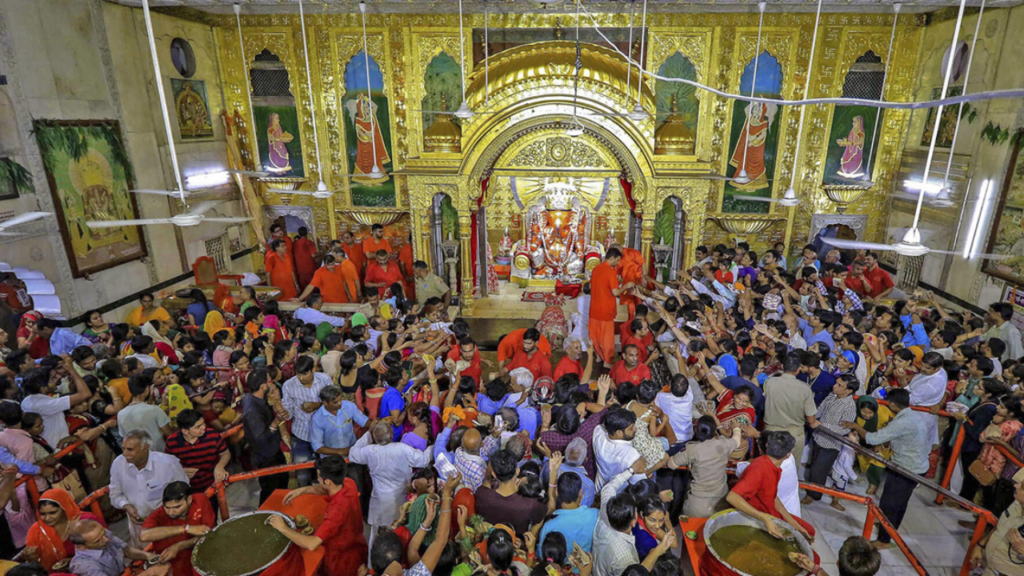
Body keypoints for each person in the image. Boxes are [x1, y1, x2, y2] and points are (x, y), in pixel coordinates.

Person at [843, 388, 931, 550]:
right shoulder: (914, 416)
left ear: (893, 405)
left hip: (907, 468)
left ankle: (884, 539)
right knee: (900, 502)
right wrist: (884, 444)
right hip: (916, 465)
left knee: (890, 502)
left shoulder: (901, 422)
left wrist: (855, 425)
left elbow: (871, 438)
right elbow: (905, 437)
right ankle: (889, 527)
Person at [268, 456, 368, 576]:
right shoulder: (348, 483)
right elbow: (324, 490)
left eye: (319, 478)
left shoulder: (337, 510)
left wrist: (283, 528)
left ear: (327, 481)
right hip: (357, 545)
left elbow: (312, 544)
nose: (318, 480)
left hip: (341, 559)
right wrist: (301, 490)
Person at [349, 421, 432, 547]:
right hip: (400, 499)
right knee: (398, 535)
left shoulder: (370, 451)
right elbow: (423, 460)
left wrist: (367, 434)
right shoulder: (402, 448)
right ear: (392, 435)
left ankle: (372, 564)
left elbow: (352, 454)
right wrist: (433, 447)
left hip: (380, 501)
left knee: (376, 538)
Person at [726, 431, 815, 541]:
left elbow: (773, 497)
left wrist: (794, 524)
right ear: (788, 455)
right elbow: (732, 497)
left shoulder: (774, 466)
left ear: (767, 446)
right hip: (757, 512)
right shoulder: (760, 469)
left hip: (769, 509)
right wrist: (764, 518)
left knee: (809, 531)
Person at [109, 430, 190, 548]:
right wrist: (127, 506)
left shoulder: (168, 463)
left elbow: (184, 491)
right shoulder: (118, 464)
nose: (125, 454)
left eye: (130, 449)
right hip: (139, 526)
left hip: (170, 523)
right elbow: (115, 495)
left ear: (145, 447)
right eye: (124, 448)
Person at [591, 468, 676, 576]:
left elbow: (609, 487)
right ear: (634, 521)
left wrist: (631, 470)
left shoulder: (606, 511)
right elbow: (637, 573)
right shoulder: (624, 557)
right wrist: (659, 550)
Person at [670, 415, 742, 518]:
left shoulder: (693, 449)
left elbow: (671, 464)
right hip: (720, 503)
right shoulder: (723, 444)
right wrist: (736, 428)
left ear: (697, 429)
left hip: (697, 505)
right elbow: (737, 441)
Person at [804, 376, 858, 511]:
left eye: (840, 385)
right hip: (819, 437)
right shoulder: (832, 395)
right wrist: (813, 418)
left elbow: (843, 428)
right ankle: (811, 488)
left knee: (819, 469)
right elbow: (821, 409)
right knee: (814, 465)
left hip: (831, 443)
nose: (835, 386)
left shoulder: (849, 406)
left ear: (849, 391)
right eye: (836, 383)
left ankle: (814, 495)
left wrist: (822, 425)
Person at [139, 481, 215, 576]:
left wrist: (180, 545)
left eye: (177, 507)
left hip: (204, 560)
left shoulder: (201, 500)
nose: (171, 512)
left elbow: (209, 534)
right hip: (175, 569)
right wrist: (185, 529)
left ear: (189, 499)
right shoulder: (158, 515)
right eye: (167, 507)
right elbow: (144, 536)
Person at [24, 488, 106, 571]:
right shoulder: (37, 531)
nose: (47, 518)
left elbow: (106, 547)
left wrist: (73, 561)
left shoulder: (86, 521)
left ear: (64, 508)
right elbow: (37, 566)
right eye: (43, 514)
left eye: (53, 513)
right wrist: (32, 558)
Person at [21, 357, 94, 449]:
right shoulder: (45, 404)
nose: (58, 377)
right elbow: (85, 394)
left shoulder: (27, 400)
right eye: (53, 379)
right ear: (42, 387)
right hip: (59, 447)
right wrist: (72, 370)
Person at [282, 355, 332, 486]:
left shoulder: (325, 380)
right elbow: (288, 414)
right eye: (298, 374)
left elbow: (334, 403)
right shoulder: (288, 386)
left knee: (327, 472)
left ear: (313, 370)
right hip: (301, 436)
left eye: (305, 374)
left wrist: (316, 405)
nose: (301, 378)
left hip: (324, 434)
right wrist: (282, 412)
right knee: (302, 475)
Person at [763, 351, 819, 465]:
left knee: (769, 467)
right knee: (790, 468)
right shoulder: (805, 389)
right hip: (794, 435)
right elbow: (811, 419)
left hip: (771, 432)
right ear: (798, 369)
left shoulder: (770, 382)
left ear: (782, 366)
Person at [475, 449, 548, 536]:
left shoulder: (482, 495)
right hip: (516, 543)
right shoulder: (532, 504)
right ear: (517, 471)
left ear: (494, 474)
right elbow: (539, 520)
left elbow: (486, 482)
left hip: (492, 540)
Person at [241, 369, 288, 503]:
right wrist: (276, 422)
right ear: (263, 386)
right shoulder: (253, 411)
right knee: (270, 489)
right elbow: (261, 437)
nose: (271, 384)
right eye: (268, 382)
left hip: (273, 449)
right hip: (266, 455)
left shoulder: (251, 398)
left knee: (282, 481)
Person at [163, 409, 229, 493]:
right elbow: (167, 464)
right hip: (187, 488)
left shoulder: (213, 435)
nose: (203, 427)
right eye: (198, 427)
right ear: (185, 431)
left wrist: (220, 466)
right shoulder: (172, 442)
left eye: (203, 423)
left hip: (212, 485)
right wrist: (180, 471)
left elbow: (225, 453)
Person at [589, 248, 635, 367]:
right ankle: (607, 361)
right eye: (618, 260)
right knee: (606, 339)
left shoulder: (596, 269)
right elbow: (615, 292)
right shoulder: (610, 272)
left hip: (594, 308)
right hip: (605, 310)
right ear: (612, 258)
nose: (618, 263)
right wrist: (626, 286)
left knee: (595, 335)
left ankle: (598, 356)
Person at [68, 519, 158, 576]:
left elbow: (125, 550)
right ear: (81, 546)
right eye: (98, 541)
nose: (106, 539)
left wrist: (150, 556)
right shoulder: (85, 566)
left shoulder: (100, 535)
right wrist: (149, 573)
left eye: (104, 533)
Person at [117, 374, 173, 453]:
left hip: (138, 456)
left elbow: (124, 437)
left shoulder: (120, 414)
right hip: (158, 453)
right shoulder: (155, 410)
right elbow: (169, 434)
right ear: (147, 389)